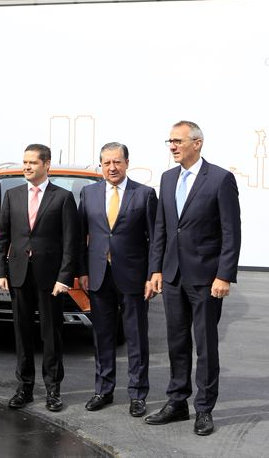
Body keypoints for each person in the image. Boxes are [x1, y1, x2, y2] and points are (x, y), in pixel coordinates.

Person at [146, 121, 241, 436]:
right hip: (173, 276)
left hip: (206, 278)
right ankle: (177, 403)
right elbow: (162, 228)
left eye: (178, 141)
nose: (172, 146)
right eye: (170, 141)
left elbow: (231, 232)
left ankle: (204, 409)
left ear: (197, 143)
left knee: (206, 345)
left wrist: (224, 275)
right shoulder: (167, 178)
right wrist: (156, 269)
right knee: (177, 342)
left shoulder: (220, 179)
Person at [0, 143, 78, 412]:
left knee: (51, 335)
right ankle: (24, 388)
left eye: (32, 162)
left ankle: (53, 390)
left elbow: (71, 242)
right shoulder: (13, 196)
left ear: (46, 164)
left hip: (50, 279)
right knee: (22, 334)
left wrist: (64, 277)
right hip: (19, 275)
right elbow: (1, 237)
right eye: (25, 162)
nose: (27, 167)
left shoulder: (62, 198)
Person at [77, 142, 157, 417]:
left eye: (117, 162)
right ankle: (103, 390)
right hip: (99, 276)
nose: (112, 167)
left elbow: (155, 240)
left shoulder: (144, 194)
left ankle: (138, 394)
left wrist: (152, 275)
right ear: (100, 165)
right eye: (107, 163)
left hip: (134, 277)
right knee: (102, 336)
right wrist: (82, 271)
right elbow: (80, 237)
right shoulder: (88, 194)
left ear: (127, 163)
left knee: (136, 337)